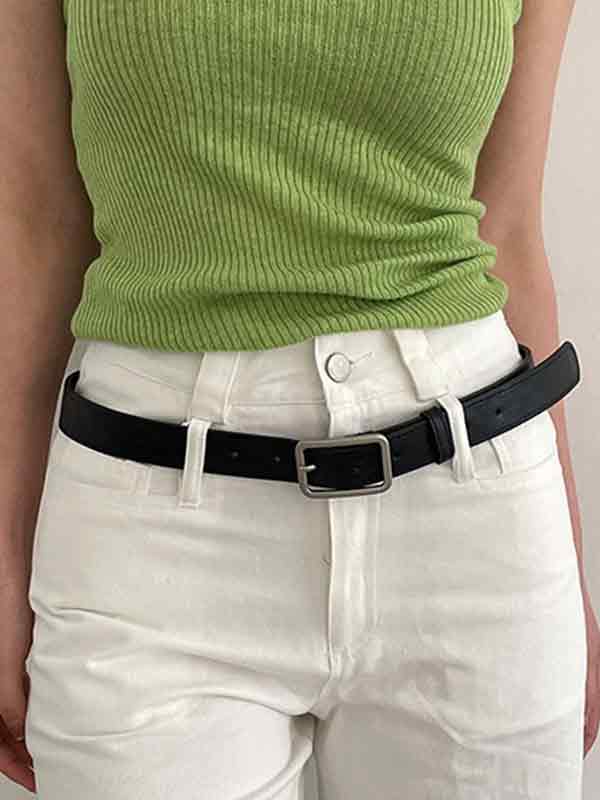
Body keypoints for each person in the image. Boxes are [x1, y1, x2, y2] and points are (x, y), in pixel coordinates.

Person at [1, 0, 596, 797]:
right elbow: (36, 223)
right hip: (146, 529)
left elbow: (510, 227)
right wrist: (4, 556)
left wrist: (565, 561)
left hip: (473, 521)